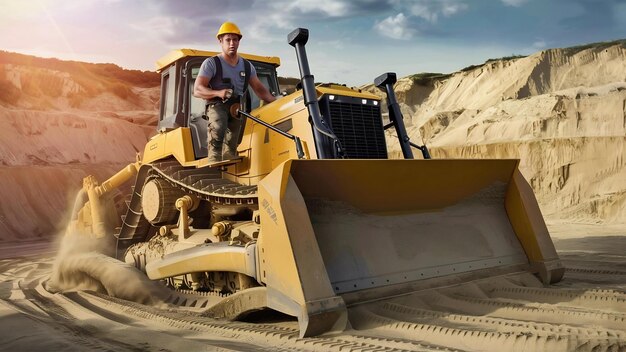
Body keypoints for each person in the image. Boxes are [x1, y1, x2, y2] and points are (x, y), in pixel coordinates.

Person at [193, 21, 276, 162]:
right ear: (221, 41)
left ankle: (229, 154)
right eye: (228, 40)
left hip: (236, 106)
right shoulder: (211, 63)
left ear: (239, 42)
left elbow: (259, 89)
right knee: (218, 126)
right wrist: (218, 93)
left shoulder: (247, 66)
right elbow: (198, 89)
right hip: (217, 104)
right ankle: (214, 156)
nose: (232, 43)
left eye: (235, 40)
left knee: (235, 132)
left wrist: (277, 102)